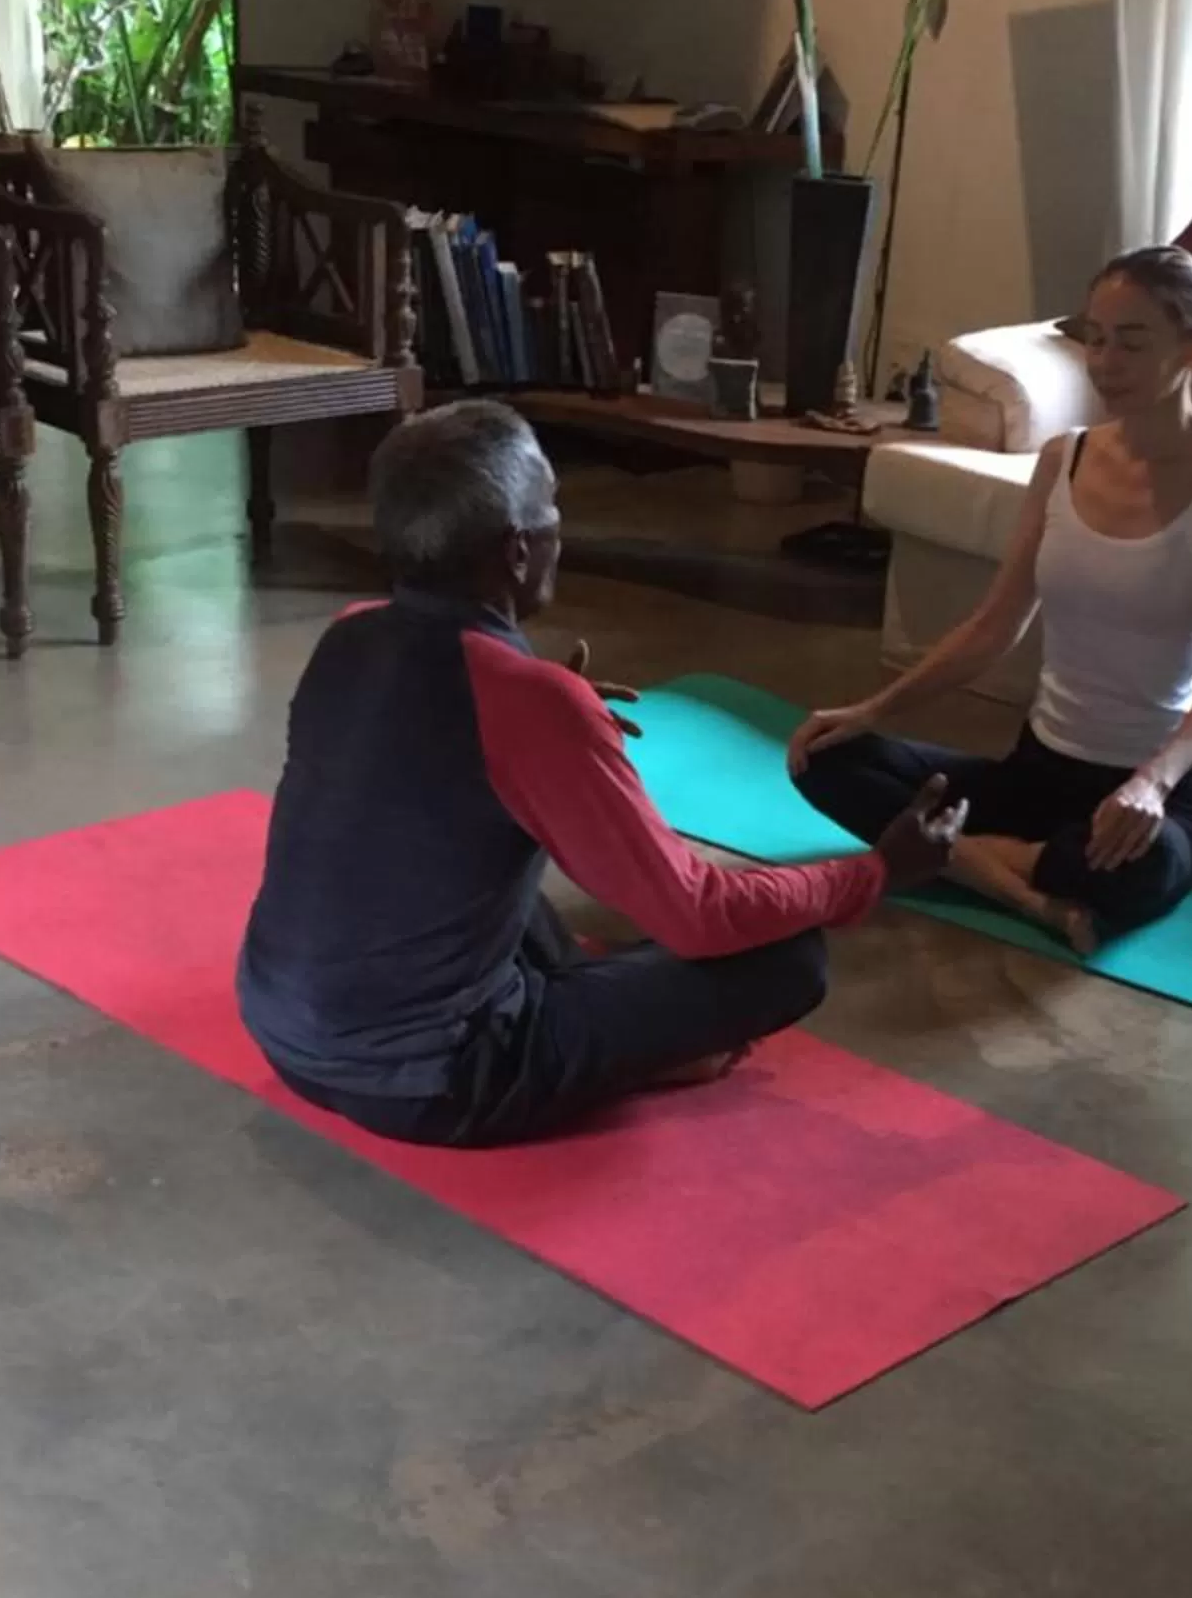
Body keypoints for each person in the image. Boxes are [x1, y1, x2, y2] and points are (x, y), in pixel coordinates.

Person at [238, 400, 962, 1149]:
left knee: (473, 863)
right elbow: (698, 912)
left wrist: (554, 719)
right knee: (789, 957)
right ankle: (621, 1056)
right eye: (553, 509)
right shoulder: (527, 701)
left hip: (283, 1032)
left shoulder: (349, 635)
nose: (561, 530)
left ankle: (599, 1017)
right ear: (518, 550)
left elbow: (423, 774)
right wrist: (876, 873)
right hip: (440, 1084)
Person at [789, 246, 1192, 949]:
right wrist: (872, 710)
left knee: (1150, 869)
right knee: (823, 756)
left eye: (1132, 343)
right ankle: (1027, 895)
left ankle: (943, 852)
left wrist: (1152, 784)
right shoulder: (1063, 458)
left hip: (1137, 793)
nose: (1105, 363)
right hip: (1035, 771)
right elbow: (994, 625)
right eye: (1096, 340)